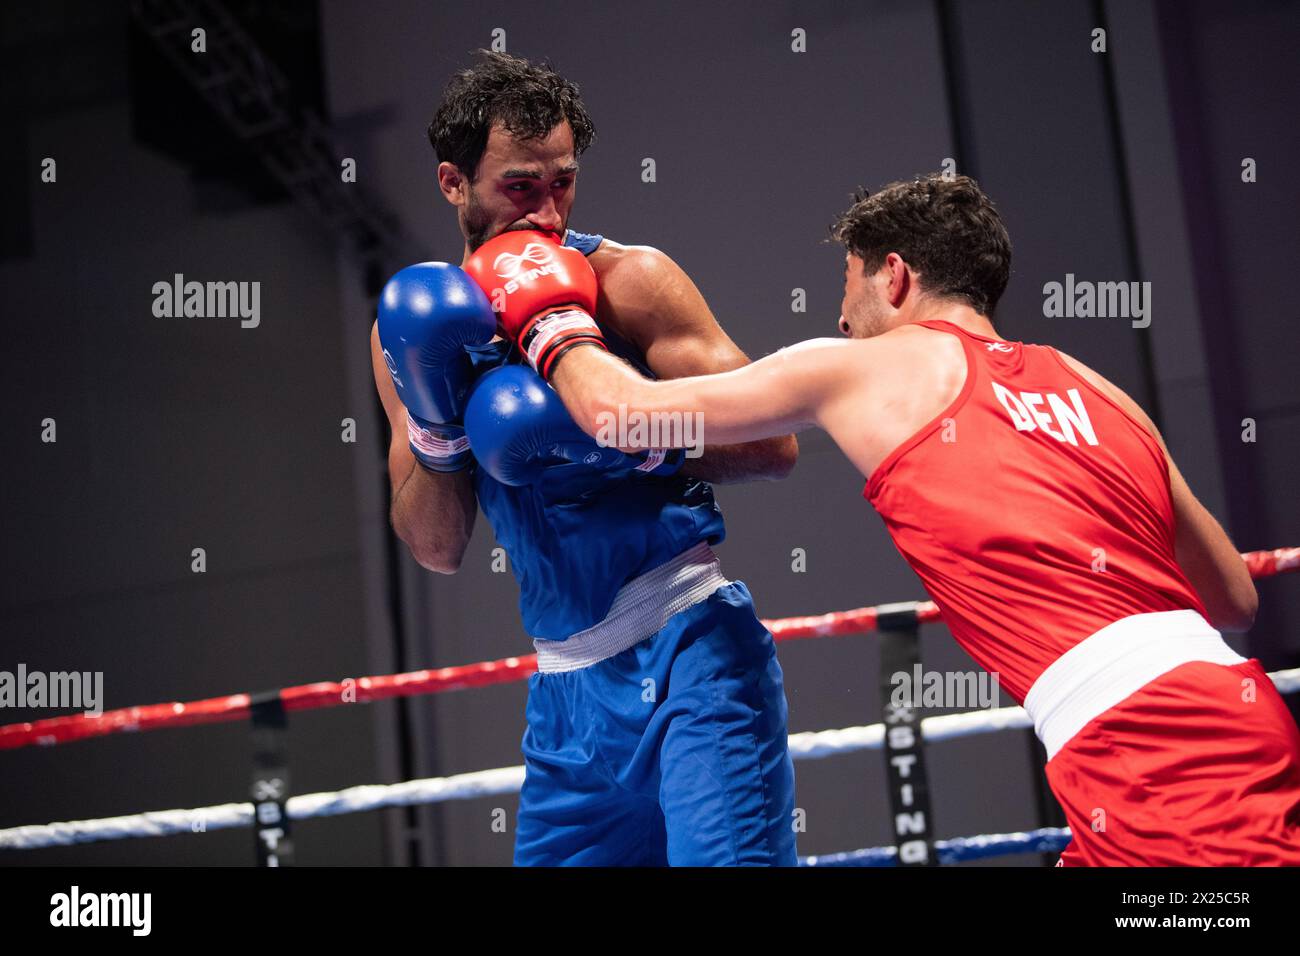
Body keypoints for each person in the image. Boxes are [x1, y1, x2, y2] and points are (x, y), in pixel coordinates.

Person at [477, 173, 1300, 865]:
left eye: (849, 289)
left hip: (1158, 763)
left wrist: (546, 313)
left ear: (895, 276)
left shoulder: (862, 368)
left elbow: (625, 416)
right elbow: (1232, 598)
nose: (840, 320)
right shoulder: (1097, 388)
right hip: (1225, 715)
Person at [369, 51, 800, 866]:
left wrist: (628, 427)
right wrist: (440, 427)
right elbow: (435, 546)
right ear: (452, 183)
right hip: (567, 701)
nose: (548, 214)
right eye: (520, 188)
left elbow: (774, 444)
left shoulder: (630, 281)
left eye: (562, 182)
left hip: (691, 654)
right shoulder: (415, 332)